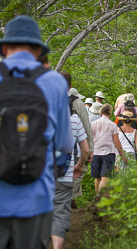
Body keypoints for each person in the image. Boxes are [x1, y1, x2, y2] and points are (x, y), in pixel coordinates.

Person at [0, 15, 72, 249]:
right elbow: (64, 142)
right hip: (34, 197)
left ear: (5, 48)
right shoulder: (54, 82)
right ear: (37, 49)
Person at [51, 112, 89, 249]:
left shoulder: (37, 115)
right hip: (64, 174)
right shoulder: (74, 120)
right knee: (60, 212)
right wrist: (79, 166)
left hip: (40, 175)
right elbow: (85, 150)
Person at [61, 74, 94, 209]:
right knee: (76, 172)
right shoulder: (77, 103)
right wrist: (90, 149)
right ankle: (70, 199)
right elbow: (87, 127)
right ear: (70, 85)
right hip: (74, 146)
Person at [91, 104, 127, 196]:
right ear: (110, 113)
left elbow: (90, 139)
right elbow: (116, 142)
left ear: (101, 112)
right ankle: (99, 198)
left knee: (97, 178)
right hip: (109, 153)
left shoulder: (93, 124)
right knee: (105, 177)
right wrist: (122, 155)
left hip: (95, 152)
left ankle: (97, 197)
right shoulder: (113, 125)